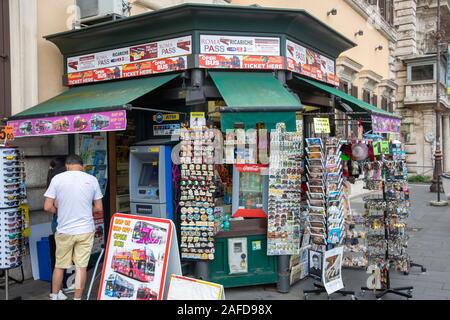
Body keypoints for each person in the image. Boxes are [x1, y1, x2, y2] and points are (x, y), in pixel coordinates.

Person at [44, 155, 103, 300]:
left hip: (64, 230)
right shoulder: (92, 180)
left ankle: (54, 295)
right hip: (85, 230)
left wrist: (59, 211)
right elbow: (99, 208)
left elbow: (47, 206)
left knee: (60, 265)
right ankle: (77, 298)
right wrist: (84, 210)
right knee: (81, 267)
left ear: (67, 165)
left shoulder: (57, 179)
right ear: (81, 166)